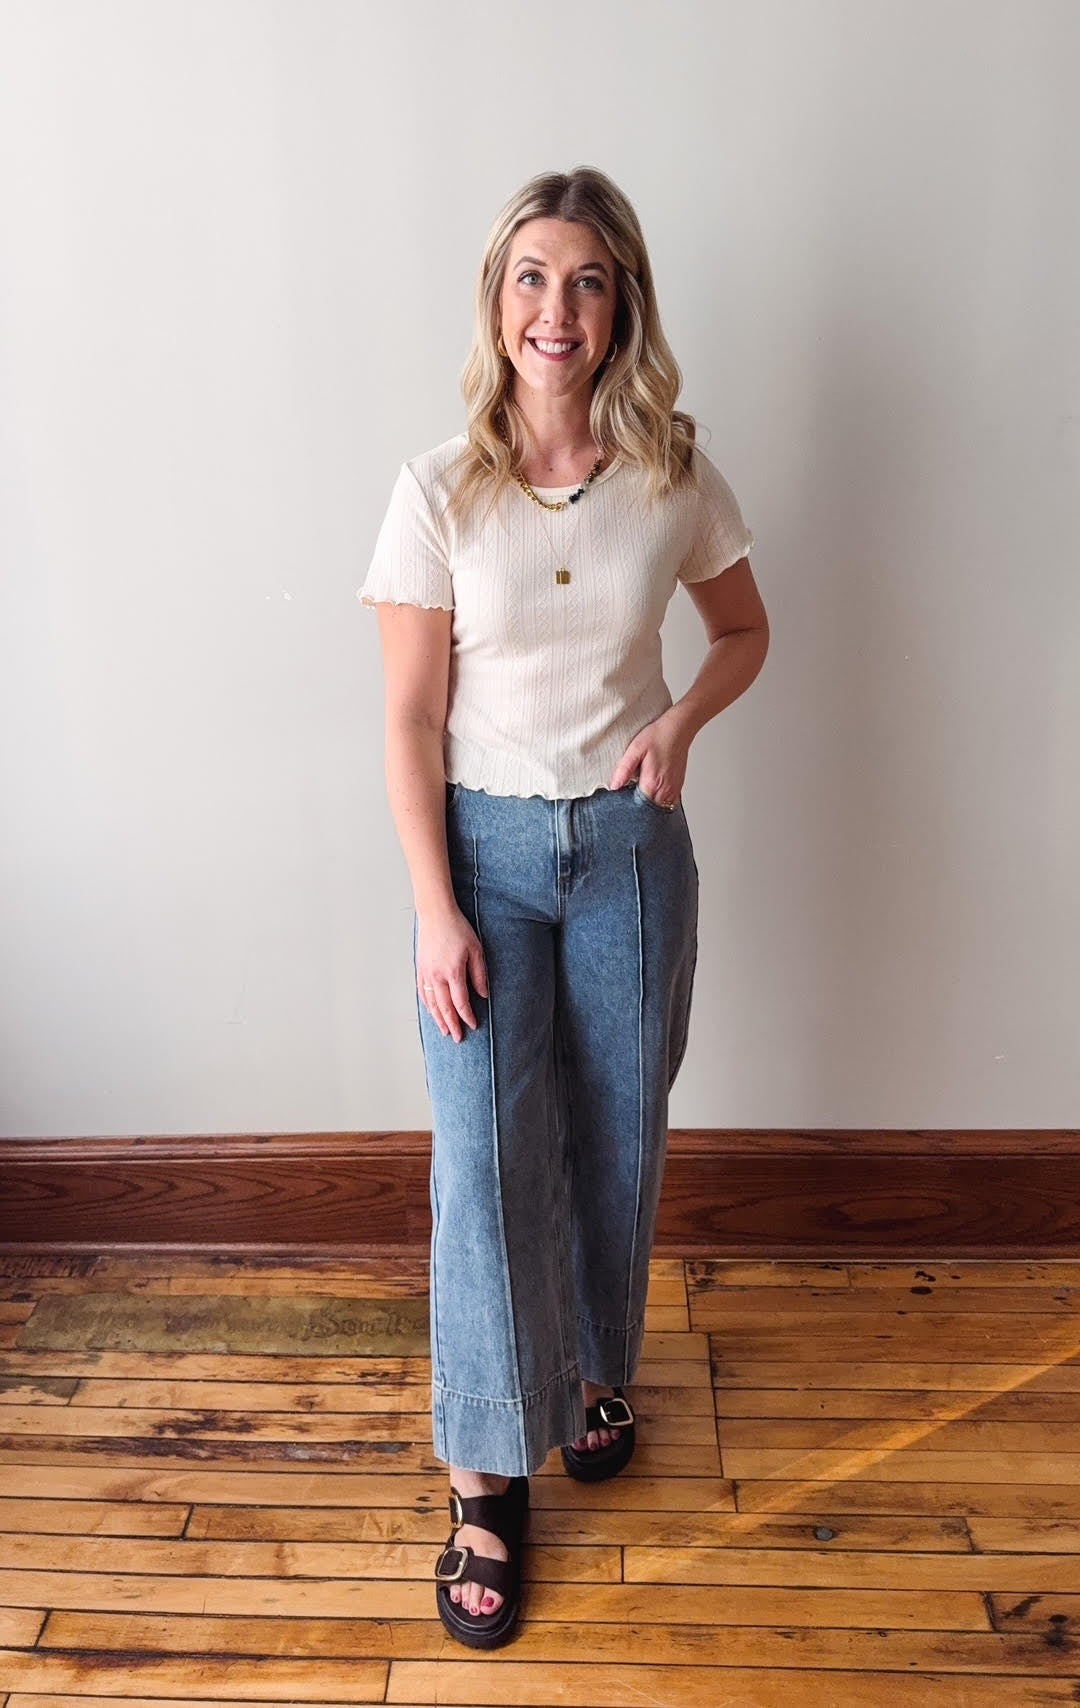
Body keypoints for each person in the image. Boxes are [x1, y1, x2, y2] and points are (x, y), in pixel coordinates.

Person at [358, 165, 769, 1649]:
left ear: (622, 306)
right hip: (479, 860)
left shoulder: (673, 472)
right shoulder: (437, 489)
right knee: (481, 1154)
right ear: (498, 300)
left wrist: (682, 727)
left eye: (586, 280)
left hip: (635, 857)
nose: (557, 308)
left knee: (616, 1128)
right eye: (532, 277)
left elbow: (743, 629)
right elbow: (409, 724)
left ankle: (596, 1368)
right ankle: (484, 1476)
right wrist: (434, 911)